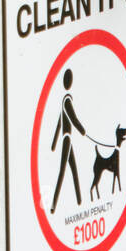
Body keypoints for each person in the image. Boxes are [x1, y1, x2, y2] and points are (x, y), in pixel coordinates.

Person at [50, 68, 87, 213]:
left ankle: (79, 200)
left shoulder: (64, 101)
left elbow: (59, 123)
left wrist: (54, 144)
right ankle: (53, 206)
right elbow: (73, 118)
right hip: (67, 138)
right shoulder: (67, 101)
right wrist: (83, 131)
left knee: (74, 169)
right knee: (63, 171)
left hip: (67, 139)